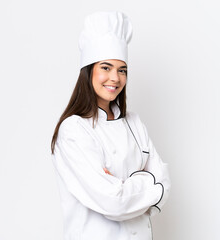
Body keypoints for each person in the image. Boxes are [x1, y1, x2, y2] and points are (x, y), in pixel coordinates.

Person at [51, 11, 171, 240]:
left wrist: (127, 186)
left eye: (122, 70)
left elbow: (165, 184)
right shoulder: (74, 130)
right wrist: (149, 181)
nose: (115, 78)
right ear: (89, 71)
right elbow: (113, 201)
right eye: (106, 68)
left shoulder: (134, 123)